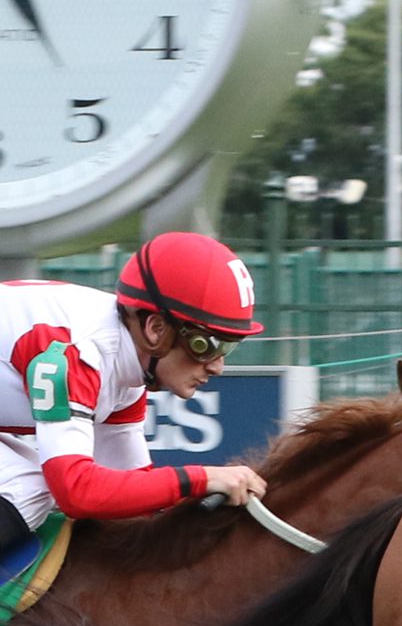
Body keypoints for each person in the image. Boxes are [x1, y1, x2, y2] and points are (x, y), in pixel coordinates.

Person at [0, 231, 269, 558]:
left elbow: (132, 496)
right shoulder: (82, 354)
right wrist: (201, 479)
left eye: (230, 347)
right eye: (207, 345)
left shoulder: (126, 371)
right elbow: (77, 491)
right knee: (29, 487)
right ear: (156, 329)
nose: (217, 367)